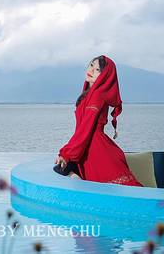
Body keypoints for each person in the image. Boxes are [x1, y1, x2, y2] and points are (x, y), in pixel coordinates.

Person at [54, 55, 143, 186]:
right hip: (89, 146)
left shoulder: (97, 95)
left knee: (124, 192)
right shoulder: (88, 94)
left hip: (96, 149)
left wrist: (66, 153)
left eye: (97, 70)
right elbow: (81, 130)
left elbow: (85, 128)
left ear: (104, 76)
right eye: (91, 65)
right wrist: (68, 151)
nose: (91, 70)